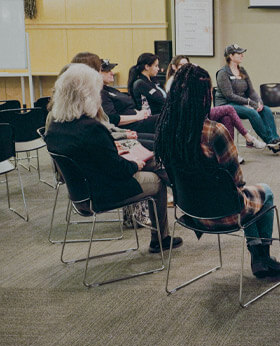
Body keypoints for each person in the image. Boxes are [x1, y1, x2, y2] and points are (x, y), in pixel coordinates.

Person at [155, 64, 280, 278]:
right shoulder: (214, 131)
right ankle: (260, 255)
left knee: (242, 196)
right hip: (223, 213)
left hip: (190, 212)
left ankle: (260, 258)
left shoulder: (166, 129)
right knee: (264, 193)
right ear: (205, 97)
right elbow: (237, 181)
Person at [44, 64, 181, 254]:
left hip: (81, 190)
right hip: (101, 192)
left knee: (154, 161)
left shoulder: (56, 126)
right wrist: (135, 164)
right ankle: (161, 238)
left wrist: (121, 155)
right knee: (156, 180)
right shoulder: (92, 128)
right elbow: (118, 170)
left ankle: (185, 196)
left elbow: (93, 156)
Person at [167, 55, 266, 152]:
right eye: (181, 65)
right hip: (189, 116)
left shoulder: (188, 79)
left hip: (201, 112)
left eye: (187, 65)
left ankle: (230, 151)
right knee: (229, 108)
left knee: (227, 118)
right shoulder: (173, 82)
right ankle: (248, 138)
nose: (185, 68)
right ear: (174, 67)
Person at [68, 52, 154, 151]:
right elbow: (104, 127)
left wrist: (122, 133)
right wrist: (122, 135)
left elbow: (104, 125)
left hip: (114, 136)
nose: (112, 73)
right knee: (160, 143)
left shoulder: (93, 96)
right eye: (102, 70)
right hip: (110, 143)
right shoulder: (91, 99)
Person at [215, 44, 280, 153]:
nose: (242, 55)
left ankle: (275, 138)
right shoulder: (222, 73)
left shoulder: (242, 71)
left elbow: (251, 91)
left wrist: (259, 102)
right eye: (239, 53)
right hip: (227, 104)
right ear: (230, 56)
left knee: (266, 109)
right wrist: (249, 102)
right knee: (252, 112)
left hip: (242, 103)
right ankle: (270, 141)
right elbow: (229, 95)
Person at [98, 58, 159, 137]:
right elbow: (112, 119)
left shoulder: (111, 89)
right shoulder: (101, 93)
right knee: (165, 119)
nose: (112, 73)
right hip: (130, 126)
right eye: (107, 71)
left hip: (138, 120)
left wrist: (139, 113)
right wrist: (137, 117)